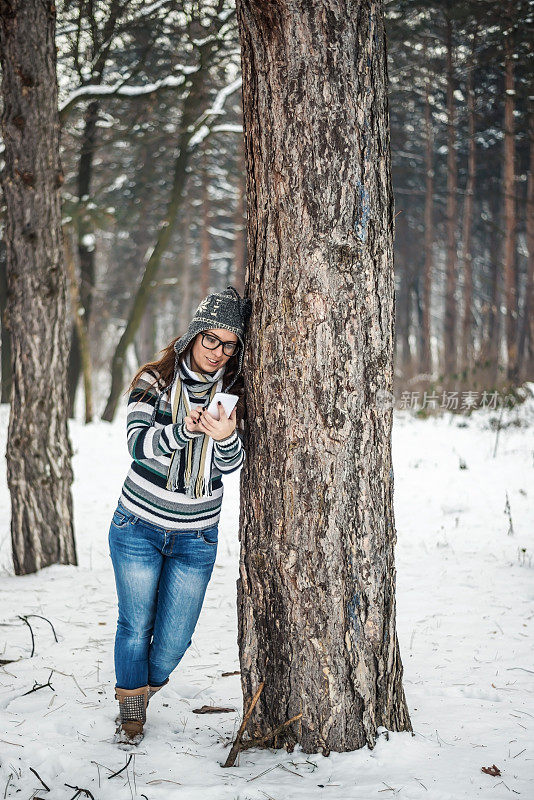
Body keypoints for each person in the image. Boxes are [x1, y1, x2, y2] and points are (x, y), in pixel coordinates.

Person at [108, 285, 252, 744]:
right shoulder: (154, 380)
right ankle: (131, 706)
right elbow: (137, 445)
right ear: (193, 335)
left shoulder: (234, 391)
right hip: (138, 526)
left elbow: (230, 467)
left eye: (230, 344)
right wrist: (183, 430)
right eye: (211, 339)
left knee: (173, 641)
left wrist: (226, 435)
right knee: (135, 625)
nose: (218, 352)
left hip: (196, 536)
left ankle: (144, 685)